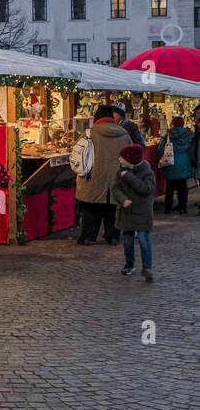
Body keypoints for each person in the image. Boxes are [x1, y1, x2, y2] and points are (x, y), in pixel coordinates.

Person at [75, 105, 131, 244]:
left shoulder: (89, 133)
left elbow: (78, 154)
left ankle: (88, 237)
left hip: (93, 177)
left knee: (91, 208)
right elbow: (131, 156)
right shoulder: (124, 134)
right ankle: (113, 236)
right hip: (116, 177)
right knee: (113, 208)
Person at [112, 144, 155, 282]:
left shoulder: (147, 171)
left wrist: (129, 177)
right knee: (127, 242)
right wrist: (123, 200)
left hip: (142, 212)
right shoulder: (121, 171)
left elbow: (146, 190)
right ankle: (129, 265)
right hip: (126, 212)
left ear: (130, 160)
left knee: (143, 240)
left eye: (122, 157)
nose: (119, 159)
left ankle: (147, 268)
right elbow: (115, 189)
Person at [159, 116, 194, 213]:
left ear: (173, 124)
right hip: (184, 162)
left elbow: (161, 149)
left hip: (171, 162)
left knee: (169, 187)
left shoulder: (169, 134)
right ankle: (183, 207)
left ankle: (168, 208)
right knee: (183, 186)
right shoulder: (189, 134)